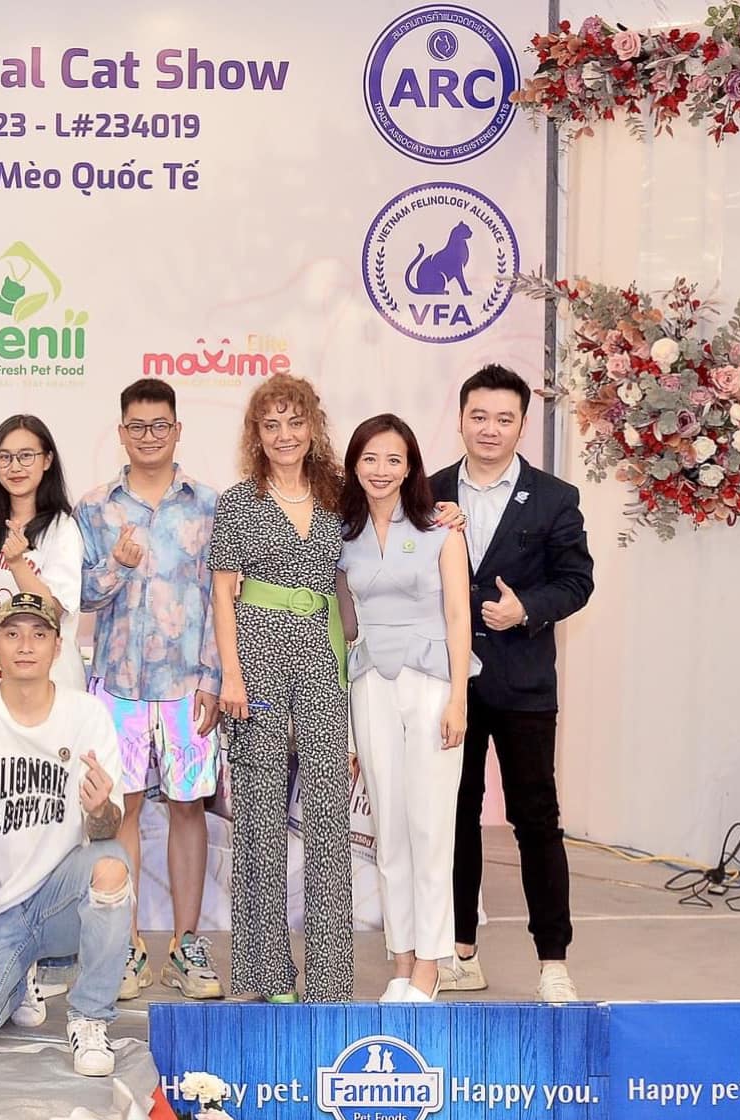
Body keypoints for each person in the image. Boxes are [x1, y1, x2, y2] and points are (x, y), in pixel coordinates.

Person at [431, 364, 595, 1002]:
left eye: (504, 419)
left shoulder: (555, 497)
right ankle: (460, 951)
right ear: (461, 418)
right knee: (455, 816)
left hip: (524, 684)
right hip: (449, 685)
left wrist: (526, 608)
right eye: (479, 416)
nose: (490, 429)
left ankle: (553, 961)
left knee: (536, 820)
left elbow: (576, 581)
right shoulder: (427, 492)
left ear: (522, 424)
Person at [0, 593, 130, 1077]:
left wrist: (99, 808)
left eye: (39, 634)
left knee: (112, 866)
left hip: (59, 900)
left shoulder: (87, 715)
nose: (26, 645)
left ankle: (89, 1018)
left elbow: (107, 828)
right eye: (13, 633)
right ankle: (18, 977)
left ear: (58, 646)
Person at [74, 378, 224, 1003]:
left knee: (189, 808)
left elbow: (223, 598)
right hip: (120, 685)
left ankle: (187, 944)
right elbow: (81, 596)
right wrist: (117, 564)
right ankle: (127, 944)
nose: (149, 436)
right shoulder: (95, 507)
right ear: (121, 432)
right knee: (125, 809)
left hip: (190, 685)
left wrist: (215, 676)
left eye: (160, 425)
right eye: (137, 426)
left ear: (177, 430)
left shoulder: (210, 506)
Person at [209, 373, 353, 1003]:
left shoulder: (338, 495)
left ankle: (330, 978)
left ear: (313, 427)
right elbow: (222, 594)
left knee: (327, 813)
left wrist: (445, 514)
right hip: (257, 655)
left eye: (295, 422)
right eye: (272, 425)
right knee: (259, 817)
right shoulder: (239, 502)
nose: (285, 435)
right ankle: (265, 974)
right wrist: (230, 674)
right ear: (256, 434)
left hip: (322, 653)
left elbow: (396, 517)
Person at [337, 414, 476, 1001]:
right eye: (369, 458)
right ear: (354, 465)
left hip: (433, 684)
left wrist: (459, 700)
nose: (380, 469)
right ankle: (401, 960)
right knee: (388, 828)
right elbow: (343, 625)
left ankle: (431, 963)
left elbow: (459, 616)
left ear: (410, 467)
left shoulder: (442, 528)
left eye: (393, 459)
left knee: (430, 826)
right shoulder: (342, 535)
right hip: (370, 683)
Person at [0, 414, 85, 692]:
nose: (15, 467)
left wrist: (17, 563)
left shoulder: (62, 529)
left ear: (47, 460)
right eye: (5, 457)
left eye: (26, 456)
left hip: (48, 687)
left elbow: (53, 610)